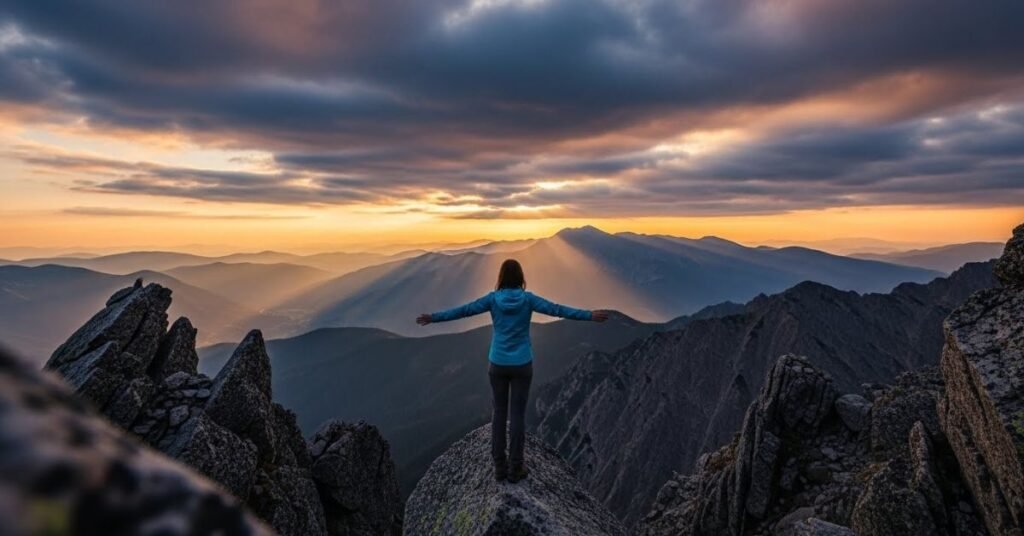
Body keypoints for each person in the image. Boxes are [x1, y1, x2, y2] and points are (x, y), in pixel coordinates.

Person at [416, 259, 609, 482]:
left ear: (500, 278)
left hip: (497, 364)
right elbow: (557, 309)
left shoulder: (492, 299)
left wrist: (434, 318)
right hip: (522, 364)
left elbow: (465, 310)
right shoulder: (528, 300)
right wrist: (589, 315)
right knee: (517, 415)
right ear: (520, 278)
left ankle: (499, 467)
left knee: (499, 413)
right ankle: (516, 467)